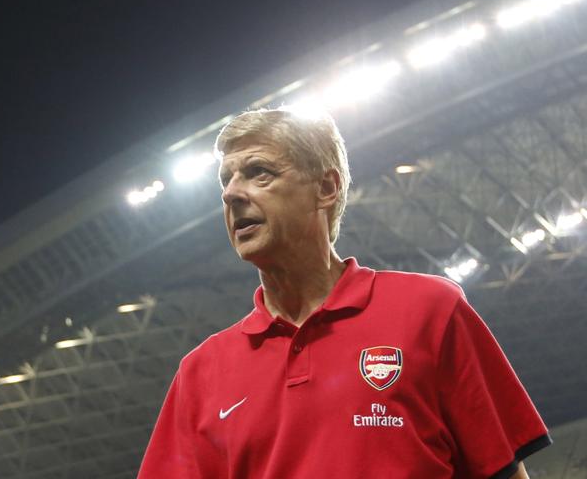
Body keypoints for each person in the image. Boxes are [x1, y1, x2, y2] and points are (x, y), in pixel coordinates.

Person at [138, 108, 551, 478]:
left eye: (259, 172)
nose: (230, 193)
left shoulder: (430, 310)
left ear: (326, 188)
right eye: (226, 180)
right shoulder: (201, 373)